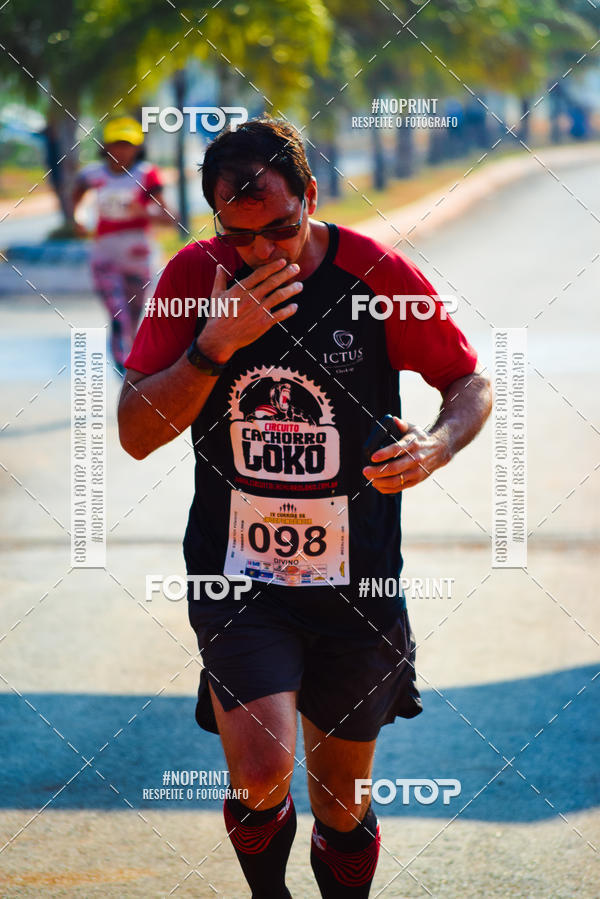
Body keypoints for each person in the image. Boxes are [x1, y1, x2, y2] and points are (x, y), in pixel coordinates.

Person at [118, 117, 492, 898]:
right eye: (240, 234)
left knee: (341, 800)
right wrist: (211, 348)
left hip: (358, 580)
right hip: (238, 578)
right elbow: (135, 433)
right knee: (262, 772)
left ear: (311, 197)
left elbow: (468, 383)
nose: (263, 253)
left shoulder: (375, 272)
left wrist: (435, 447)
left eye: (281, 230)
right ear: (216, 217)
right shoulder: (195, 277)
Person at [73, 116, 174, 373]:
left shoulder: (147, 175)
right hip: (105, 254)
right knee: (118, 315)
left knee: (133, 316)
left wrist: (144, 212)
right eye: (116, 144)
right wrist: (79, 219)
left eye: (127, 144)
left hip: (138, 255)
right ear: (105, 146)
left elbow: (170, 218)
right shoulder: (91, 175)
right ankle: (125, 372)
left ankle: (133, 372)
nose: (121, 150)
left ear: (138, 148)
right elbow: (78, 202)